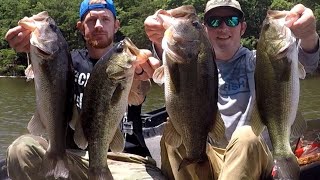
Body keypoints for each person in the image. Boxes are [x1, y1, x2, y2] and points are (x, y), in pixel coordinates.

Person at [144, 0, 320, 179]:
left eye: (232, 20)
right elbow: (172, 72)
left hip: (255, 162)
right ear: (205, 28)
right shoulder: (194, 68)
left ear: (242, 28)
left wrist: (308, 36)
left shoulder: (259, 61)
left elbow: (307, 63)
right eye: (214, 21)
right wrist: (160, 39)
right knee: (175, 134)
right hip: (212, 158)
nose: (223, 28)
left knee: (246, 135)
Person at [4, 0, 164, 179]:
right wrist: (31, 48)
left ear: (116, 25)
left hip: (127, 161)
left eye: (105, 19)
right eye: (91, 20)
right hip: (75, 158)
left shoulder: (130, 62)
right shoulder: (66, 61)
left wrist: (149, 64)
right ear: (80, 27)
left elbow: (139, 92)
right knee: (21, 149)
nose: (98, 25)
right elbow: (49, 69)